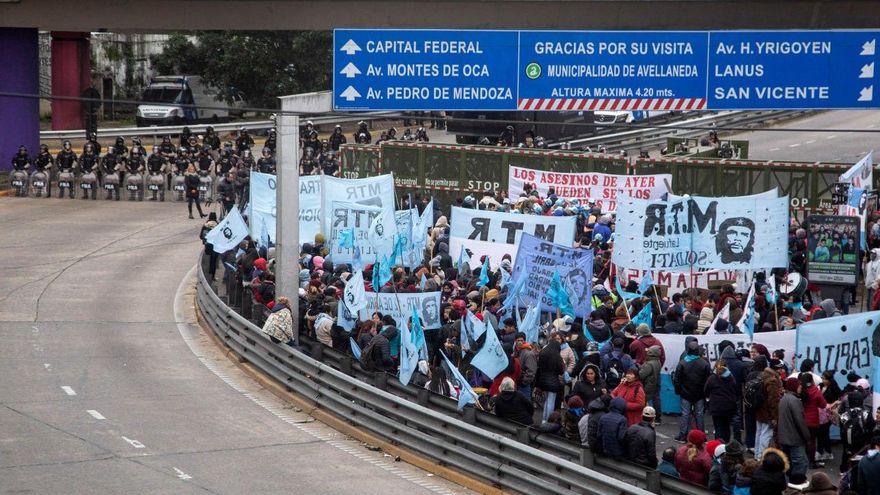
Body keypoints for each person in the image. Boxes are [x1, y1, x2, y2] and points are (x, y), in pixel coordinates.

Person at [674, 339, 712, 442]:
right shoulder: (704, 363)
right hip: (700, 393)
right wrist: (706, 393)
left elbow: (677, 379)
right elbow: (708, 380)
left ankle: (683, 435)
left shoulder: (682, 363)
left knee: (685, 414)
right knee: (699, 414)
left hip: (685, 393)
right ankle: (701, 436)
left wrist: (679, 391)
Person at [777, 376, 809, 480]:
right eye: (799, 386)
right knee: (800, 464)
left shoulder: (783, 399)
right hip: (794, 439)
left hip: (784, 438)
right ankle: (796, 485)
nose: (800, 388)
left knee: (787, 465)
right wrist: (807, 436)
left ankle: (788, 486)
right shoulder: (794, 401)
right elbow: (800, 421)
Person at [754, 359, 782, 460]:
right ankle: (761, 457)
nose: (781, 370)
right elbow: (773, 401)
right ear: (777, 369)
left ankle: (757, 455)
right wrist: (774, 416)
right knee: (766, 435)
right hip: (767, 412)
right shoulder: (773, 381)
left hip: (759, 409)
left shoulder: (762, 375)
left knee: (759, 433)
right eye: (780, 368)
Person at [705, 358, 738, 442]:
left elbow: (706, 390)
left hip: (716, 406)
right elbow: (735, 389)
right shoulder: (731, 377)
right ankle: (726, 444)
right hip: (729, 405)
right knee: (726, 427)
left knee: (718, 427)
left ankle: (718, 447)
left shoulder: (712, 378)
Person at [798, 373, 827, 468]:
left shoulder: (799, 390)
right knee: (812, 441)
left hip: (801, 419)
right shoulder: (815, 391)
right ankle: (811, 462)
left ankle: (802, 460)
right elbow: (823, 404)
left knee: (802, 441)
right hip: (813, 420)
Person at [536, 338, 565, 422]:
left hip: (543, 380)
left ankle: (544, 419)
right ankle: (548, 420)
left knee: (546, 401)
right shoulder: (557, 356)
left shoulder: (542, 353)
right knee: (551, 401)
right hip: (553, 381)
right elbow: (561, 371)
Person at [816, 370, 840, 463]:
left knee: (822, 433)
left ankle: (820, 452)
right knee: (823, 433)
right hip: (820, 413)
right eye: (822, 377)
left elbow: (838, 399)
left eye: (824, 378)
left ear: (829, 380)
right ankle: (827, 452)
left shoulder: (834, 388)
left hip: (828, 414)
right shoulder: (821, 386)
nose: (822, 380)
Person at [639, 346, 663, 420]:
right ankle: (657, 417)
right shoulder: (658, 361)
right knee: (656, 400)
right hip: (655, 384)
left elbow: (641, 375)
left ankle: (645, 417)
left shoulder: (649, 364)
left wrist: (639, 368)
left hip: (648, 385)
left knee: (643, 401)